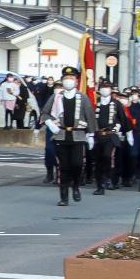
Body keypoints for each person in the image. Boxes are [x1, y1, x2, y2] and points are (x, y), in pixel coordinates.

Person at [44, 66, 94, 205]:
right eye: (66, 78)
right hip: (61, 135)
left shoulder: (82, 98)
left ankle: (76, 185)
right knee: (63, 167)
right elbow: (45, 113)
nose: (68, 81)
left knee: (77, 164)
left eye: (71, 78)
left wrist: (91, 135)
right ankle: (64, 197)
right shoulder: (56, 97)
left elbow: (90, 116)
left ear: (76, 81)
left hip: (78, 135)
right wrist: (50, 123)